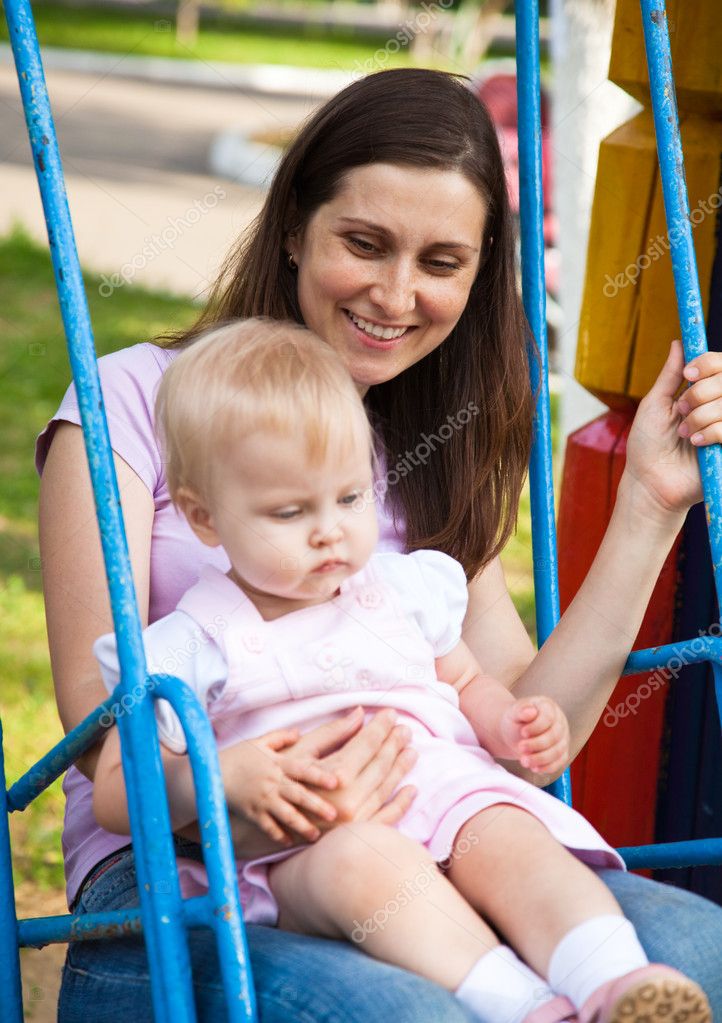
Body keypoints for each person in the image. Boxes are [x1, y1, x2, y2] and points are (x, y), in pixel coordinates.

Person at [36, 67, 722, 1022]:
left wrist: (650, 501)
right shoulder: (132, 404)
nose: (396, 294)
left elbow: (521, 728)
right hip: (198, 868)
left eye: (442, 262)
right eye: (364, 243)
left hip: (448, 826)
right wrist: (256, 786)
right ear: (293, 228)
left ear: (480, 274)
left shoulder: (426, 448)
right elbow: (97, 725)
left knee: (704, 954)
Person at [90, 318, 711, 1023]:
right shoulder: (192, 641)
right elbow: (115, 789)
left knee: (513, 836)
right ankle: (528, 1006)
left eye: (351, 498)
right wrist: (215, 775)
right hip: (309, 847)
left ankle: (618, 980)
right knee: (367, 869)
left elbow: (467, 679)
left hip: (446, 793)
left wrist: (506, 721)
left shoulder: (403, 590)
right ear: (205, 518)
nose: (330, 530)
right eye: (290, 511)